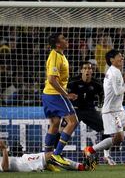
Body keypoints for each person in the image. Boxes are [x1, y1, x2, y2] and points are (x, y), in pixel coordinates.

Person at [84, 50, 125, 171]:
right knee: (119, 139)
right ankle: (90, 150)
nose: (122, 58)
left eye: (122, 56)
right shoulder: (113, 72)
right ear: (111, 59)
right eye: (119, 56)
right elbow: (118, 91)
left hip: (119, 110)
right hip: (110, 111)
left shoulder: (116, 72)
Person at [67, 61, 115, 165]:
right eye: (85, 68)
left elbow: (104, 96)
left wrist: (103, 107)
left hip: (90, 111)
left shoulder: (97, 83)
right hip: (75, 111)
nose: (87, 70)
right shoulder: (73, 81)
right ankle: (56, 155)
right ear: (81, 71)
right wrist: (68, 97)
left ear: (92, 71)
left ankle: (106, 156)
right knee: (63, 131)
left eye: (89, 68)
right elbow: (65, 94)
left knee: (106, 129)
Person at [42, 33, 78, 167]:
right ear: (57, 44)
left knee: (55, 124)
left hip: (48, 95)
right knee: (73, 121)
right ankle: (57, 155)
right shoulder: (55, 56)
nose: (66, 40)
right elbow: (52, 79)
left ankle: (47, 161)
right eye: (63, 39)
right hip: (55, 94)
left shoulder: (59, 55)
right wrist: (66, 94)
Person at [0, 140, 87, 172]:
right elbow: (5, 168)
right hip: (24, 163)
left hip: (22, 160)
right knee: (51, 156)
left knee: (52, 156)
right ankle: (81, 166)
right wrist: (4, 149)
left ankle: (80, 166)